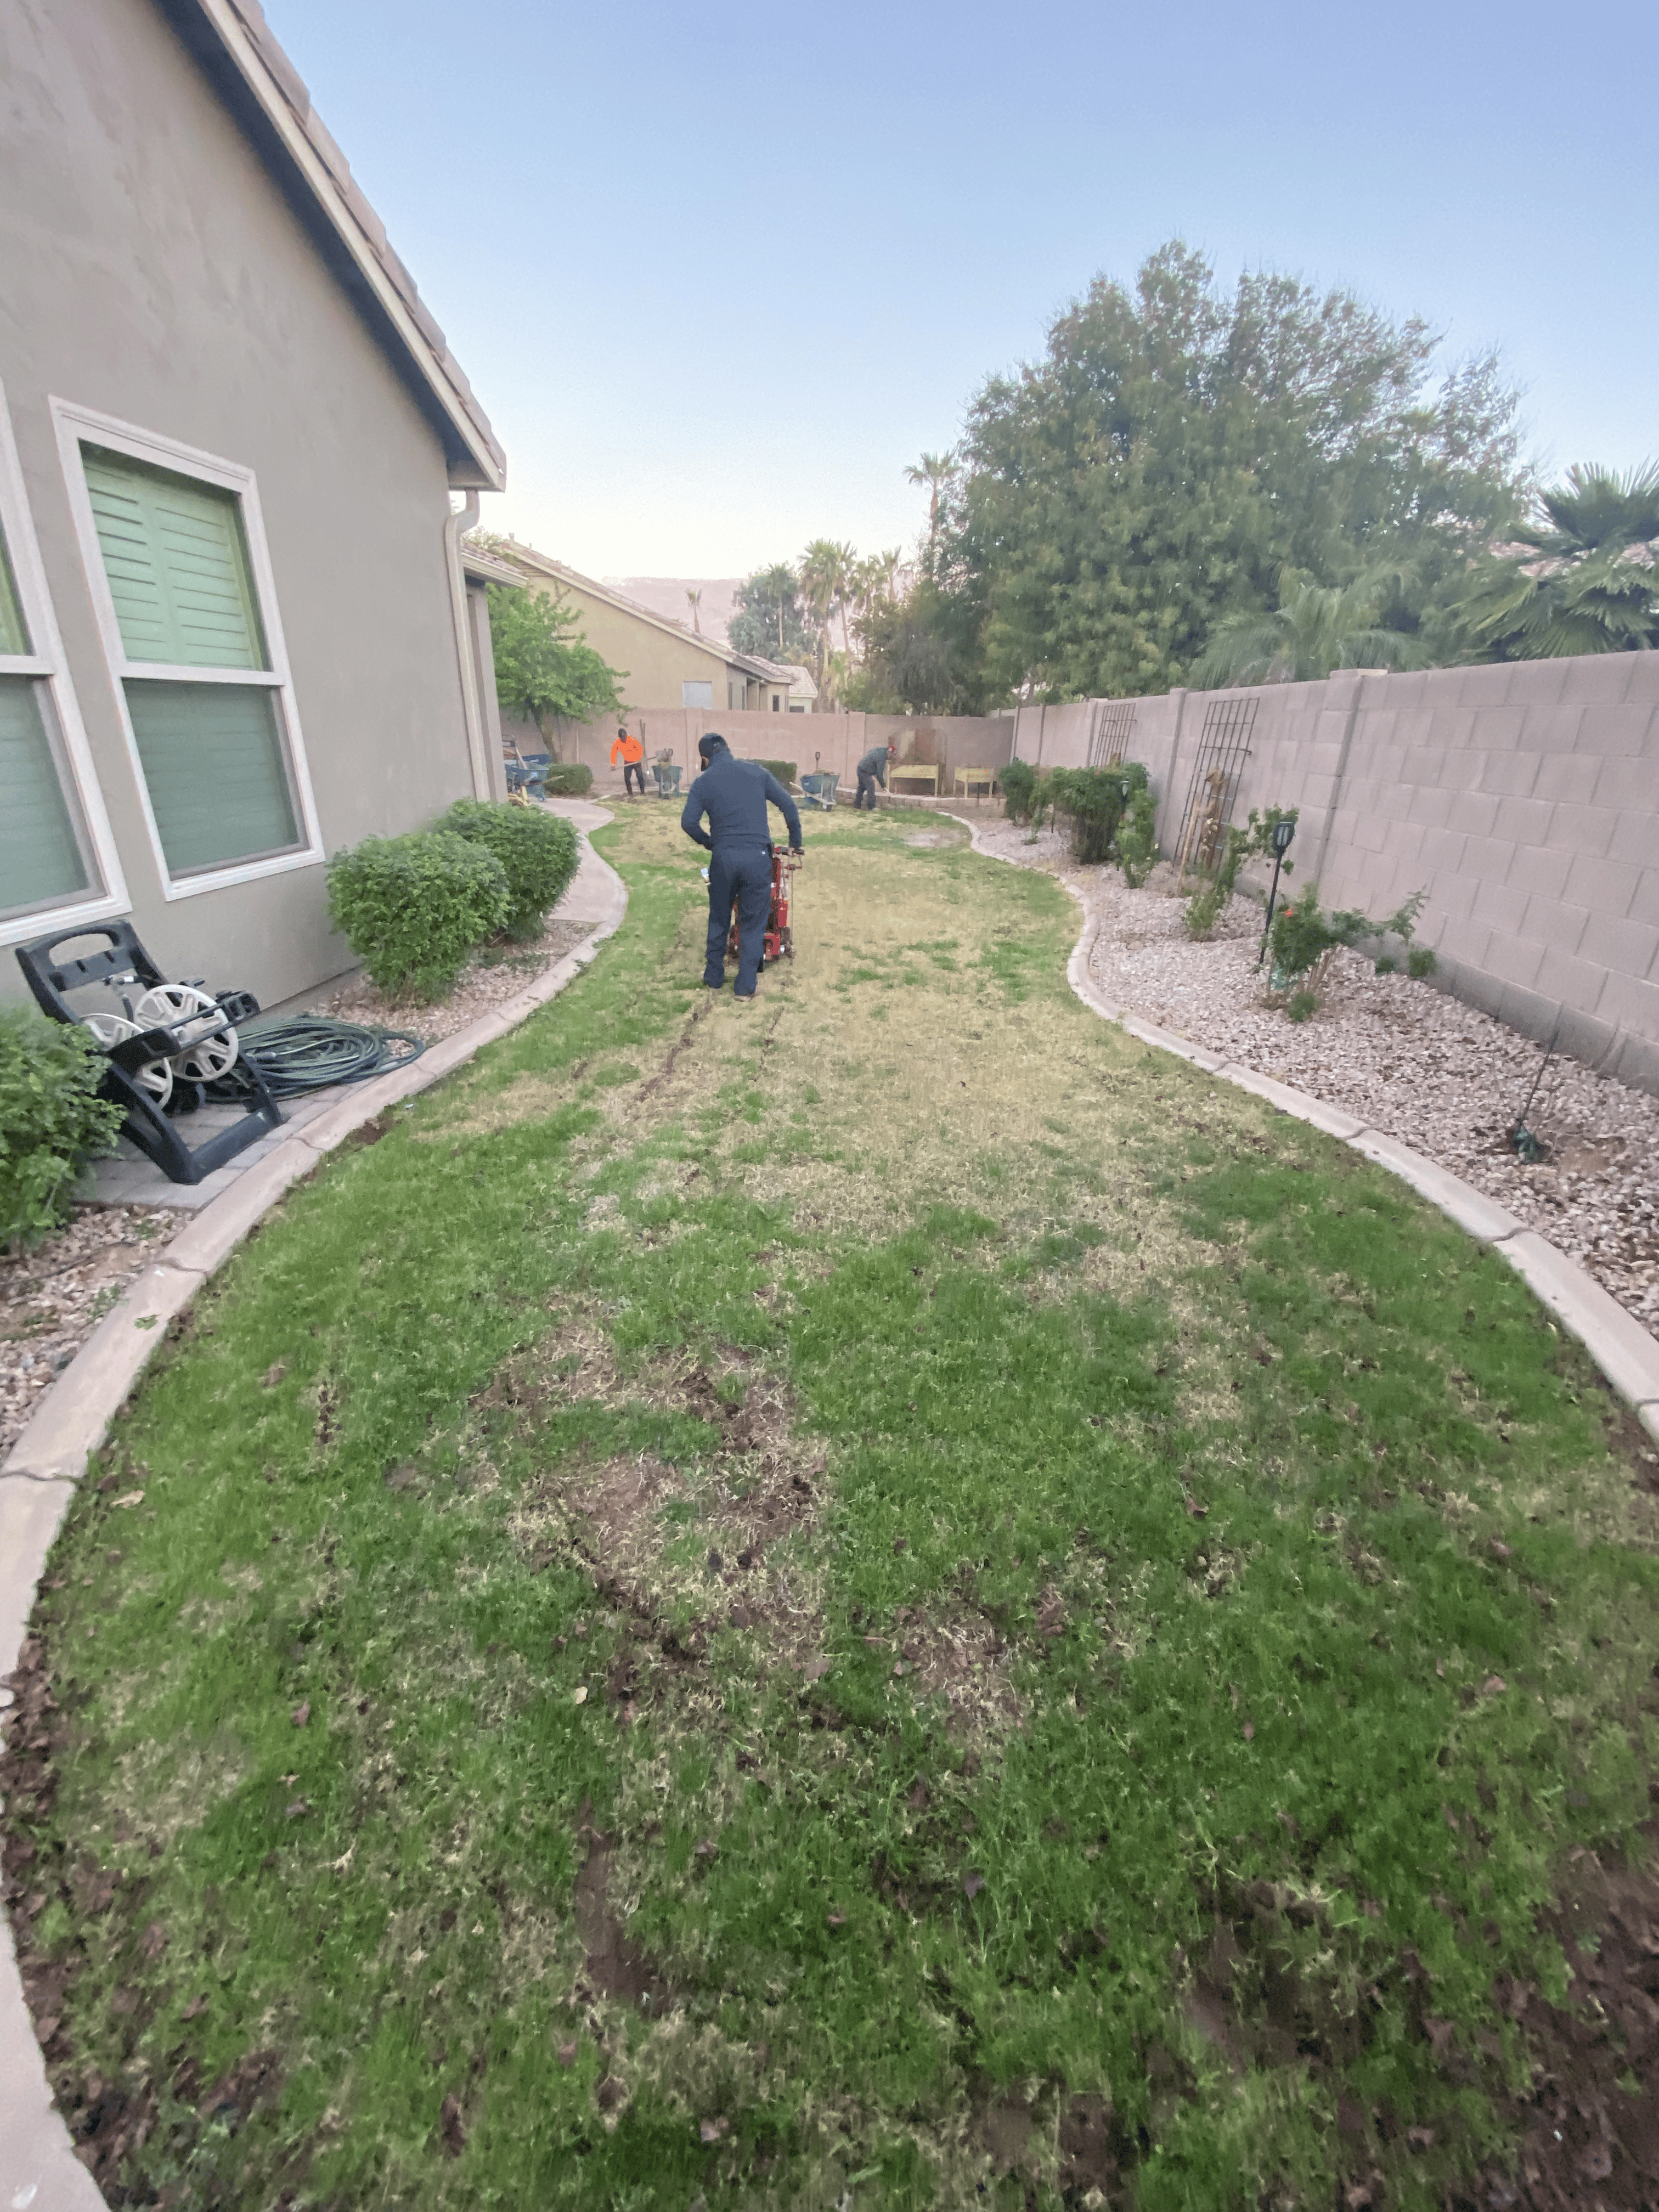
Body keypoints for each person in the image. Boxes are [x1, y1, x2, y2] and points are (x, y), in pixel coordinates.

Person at [680, 733, 802, 1000]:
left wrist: (710, 843)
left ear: (704, 758)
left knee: (719, 917)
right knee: (752, 922)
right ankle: (745, 988)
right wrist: (795, 841)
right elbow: (789, 806)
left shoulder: (703, 783)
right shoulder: (757, 773)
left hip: (723, 859)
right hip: (758, 859)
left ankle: (713, 977)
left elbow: (689, 823)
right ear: (728, 749)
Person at [855, 741, 895, 810]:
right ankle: (871, 807)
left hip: (860, 768)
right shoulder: (882, 758)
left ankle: (857, 806)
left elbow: (877, 772)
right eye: (892, 755)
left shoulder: (881, 750)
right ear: (889, 753)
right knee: (871, 785)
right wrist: (883, 786)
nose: (891, 757)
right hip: (864, 770)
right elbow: (879, 774)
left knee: (862, 787)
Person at [610, 724, 646, 797]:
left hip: (637, 762)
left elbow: (640, 749)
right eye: (622, 738)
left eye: (625, 737)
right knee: (627, 778)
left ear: (626, 735)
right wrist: (613, 765)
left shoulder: (632, 740)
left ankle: (642, 792)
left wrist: (640, 758)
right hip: (627, 763)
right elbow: (614, 754)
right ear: (619, 737)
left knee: (640, 776)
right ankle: (630, 793)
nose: (624, 739)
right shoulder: (617, 743)